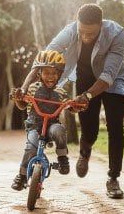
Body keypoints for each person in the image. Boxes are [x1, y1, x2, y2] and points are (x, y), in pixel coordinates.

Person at [20, 3, 124, 199]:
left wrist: (87, 96)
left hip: (112, 82)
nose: (85, 37)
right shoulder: (70, 30)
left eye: (91, 34)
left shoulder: (116, 33)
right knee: (90, 129)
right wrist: (24, 86)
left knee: (115, 127)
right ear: (77, 25)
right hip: (85, 78)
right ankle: (85, 150)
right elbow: (45, 58)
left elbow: (109, 74)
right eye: (82, 32)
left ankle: (113, 178)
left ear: (101, 25)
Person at [10, 50, 79, 191]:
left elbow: (69, 106)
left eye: (54, 73)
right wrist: (18, 99)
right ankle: (22, 176)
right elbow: (23, 105)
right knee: (31, 147)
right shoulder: (32, 88)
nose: (50, 76)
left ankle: (62, 158)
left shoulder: (60, 91)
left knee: (59, 131)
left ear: (59, 74)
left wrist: (76, 107)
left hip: (52, 126)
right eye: (46, 72)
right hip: (34, 126)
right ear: (39, 74)